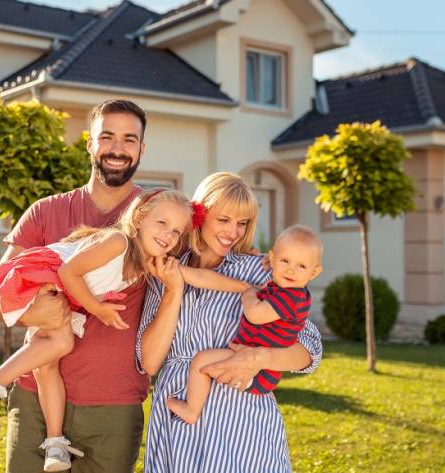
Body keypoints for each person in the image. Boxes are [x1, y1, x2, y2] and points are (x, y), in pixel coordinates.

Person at [0, 99, 152, 473]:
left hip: (114, 405)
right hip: (33, 397)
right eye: (106, 137)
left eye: (129, 139)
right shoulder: (46, 211)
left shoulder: (156, 217)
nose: (117, 148)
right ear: (89, 143)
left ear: (141, 148)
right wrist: (30, 311)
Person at [0, 189, 194, 471]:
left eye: (176, 231)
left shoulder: (142, 263)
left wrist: (246, 285)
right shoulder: (117, 242)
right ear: (138, 218)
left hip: (59, 291)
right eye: (162, 223)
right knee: (61, 345)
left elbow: (193, 274)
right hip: (42, 277)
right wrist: (97, 308)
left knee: (47, 365)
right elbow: (67, 272)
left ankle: (54, 443)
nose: (169, 235)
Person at [138, 172, 323, 473]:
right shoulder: (166, 270)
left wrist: (262, 357)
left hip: (239, 416)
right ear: (200, 213)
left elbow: (310, 350)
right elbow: (149, 363)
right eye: (223, 220)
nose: (233, 232)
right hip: (176, 411)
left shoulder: (259, 270)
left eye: (243, 223)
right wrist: (173, 290)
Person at [166, 224, 324, 424]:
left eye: (301, 266)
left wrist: (248, 294)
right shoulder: (280, 287)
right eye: (285, 261)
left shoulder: (293, 296)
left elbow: (256, 315)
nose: (291, 269)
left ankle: (191, 410)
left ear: (314, 272)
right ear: (273, 258)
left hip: (259, 371)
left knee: (201, 362)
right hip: (250, 359)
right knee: (205, 365)